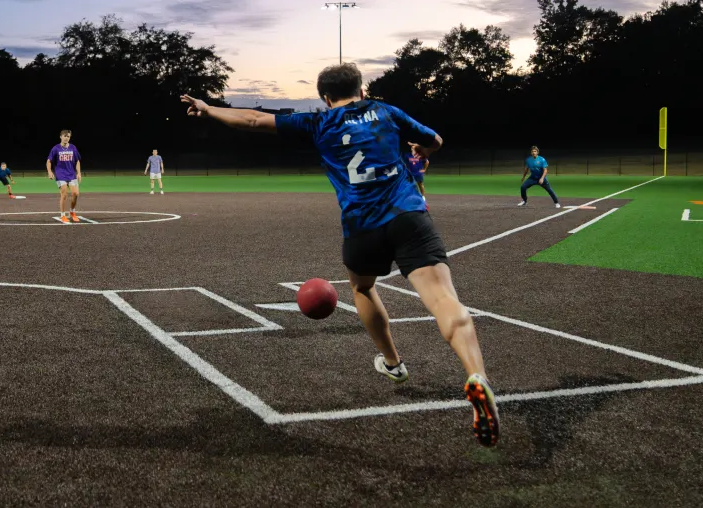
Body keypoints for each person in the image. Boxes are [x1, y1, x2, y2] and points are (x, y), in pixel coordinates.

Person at [181, 63, 499, 447]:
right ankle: (476, 375)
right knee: (443, 299)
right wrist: (421, 149)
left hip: (362, 227)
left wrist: (209, 107)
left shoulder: (319, 123)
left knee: (363, 288)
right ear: (362, 91)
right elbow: (435, 140)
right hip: (408, 216)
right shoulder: (386, 111)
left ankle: (394, 364)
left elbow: (251, 120)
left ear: (325, 98)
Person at [46, 130, 82, 223]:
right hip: (60, 174)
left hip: (71, 174)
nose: (67, 138)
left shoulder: (73, 147)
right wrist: (49, 171)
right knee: (64, 194)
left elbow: (77, 161)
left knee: (76, 193)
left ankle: (72, 212)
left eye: (68, 136)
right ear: (60, 136)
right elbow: (49, 161)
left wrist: (79, 173)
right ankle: (62, 215)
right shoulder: (56, 148)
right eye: (65, 136)